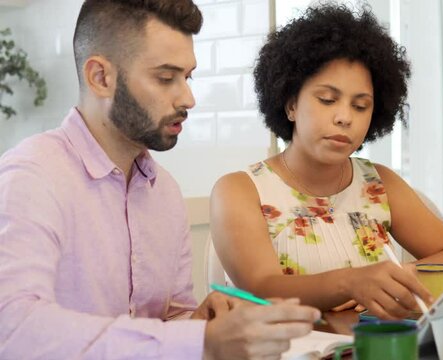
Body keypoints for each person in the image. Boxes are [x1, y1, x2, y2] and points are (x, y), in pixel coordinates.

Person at [0, 1, 320, 359]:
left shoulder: (163, 190)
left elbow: (167, 320)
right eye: (166, 78)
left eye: (188, 77)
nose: (188, 98)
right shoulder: (31, 176)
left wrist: (201, 323)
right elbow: (13, 329)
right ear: (100, 77)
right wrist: (200, 343)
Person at [210, 4, 443, 321]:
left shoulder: (380, 183)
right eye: (327, 100)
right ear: (291, 104)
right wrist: (352, 283)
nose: (344, 117)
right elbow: (262, 288)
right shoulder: (241, 190)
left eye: (361, 106)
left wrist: (398, 276)